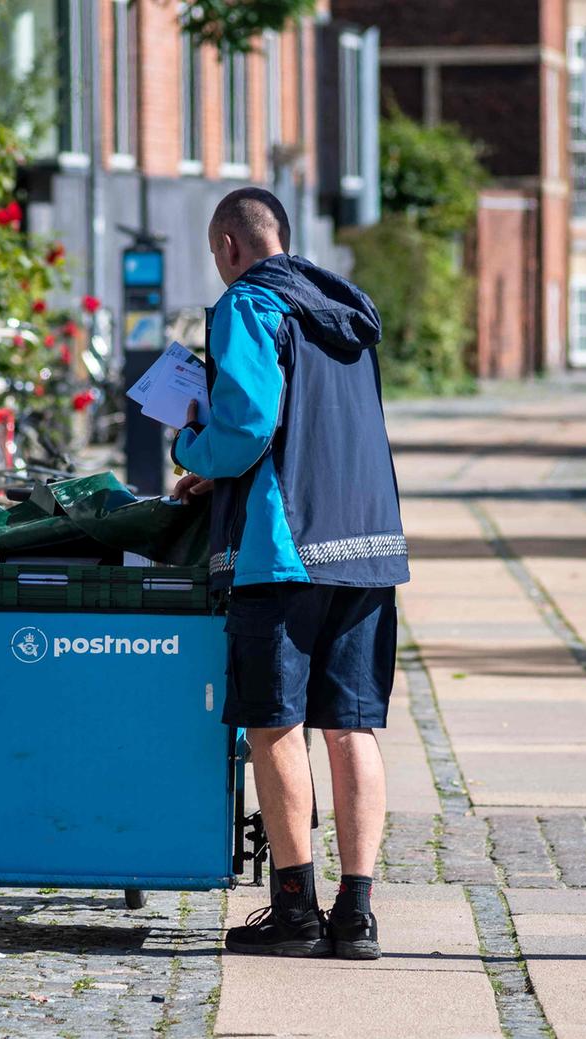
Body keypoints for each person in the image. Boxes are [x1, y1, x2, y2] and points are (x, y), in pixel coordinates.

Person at [171, 188, 409, 959]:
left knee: (276, 723)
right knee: (355, 724)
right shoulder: (347, 311)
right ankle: (360, 911)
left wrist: (191, 453)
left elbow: (244, 428)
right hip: (367, 544)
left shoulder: (248, 306)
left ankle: (297, 909)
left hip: (283, 551)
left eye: (217, 256)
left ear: (232, 248)